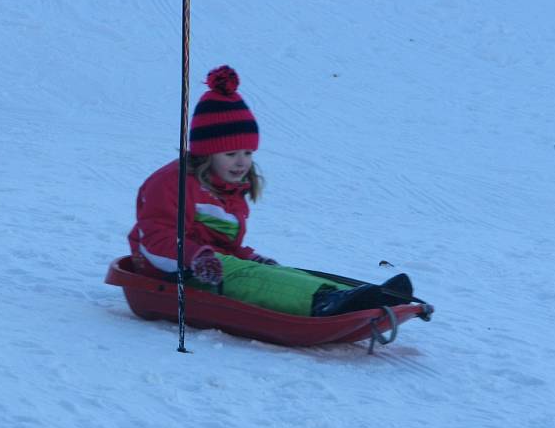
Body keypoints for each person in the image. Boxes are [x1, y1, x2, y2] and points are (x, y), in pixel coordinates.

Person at [127, 65, 413, 317]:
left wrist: (248, 255)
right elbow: (154, 237)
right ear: (207, 153)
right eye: (230, 154)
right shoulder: (172, 183)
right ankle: (325, 302)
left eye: (248, 152)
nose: (242, 162)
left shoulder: (228, 189)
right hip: (172, 274)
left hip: (213, 265)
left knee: (268, 271)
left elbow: (225, 247)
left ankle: (357, 295)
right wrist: (196, 257)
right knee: (245, 274)